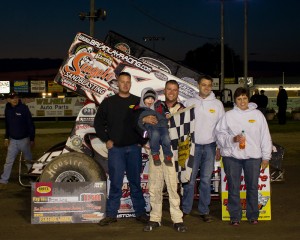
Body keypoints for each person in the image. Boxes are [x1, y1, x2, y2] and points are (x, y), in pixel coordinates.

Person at [94, 72, 149, 226]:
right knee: (116, 182)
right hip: (116, 149)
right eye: (122, 82)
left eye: (128, 82)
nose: (125, 84)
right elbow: (98, 123)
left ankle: (140, 213)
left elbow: (147, 124)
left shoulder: (138, 102)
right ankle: (111, 214)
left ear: (131, 84)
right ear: (117, 83)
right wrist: (106, 139)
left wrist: (142, 140)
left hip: (134, 149)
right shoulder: (108, 102)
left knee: (135, 182)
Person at [215, 87, 272, 226]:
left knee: (252, 187)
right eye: (239, 99)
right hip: (231, 157)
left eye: (244, 98)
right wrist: (232, 139)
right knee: (233, 187)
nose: (242, 101)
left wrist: (266, 157)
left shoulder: (258, 115)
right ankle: (235, 216)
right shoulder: (228, 115)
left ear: (248, 99)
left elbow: (265, 136)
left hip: (253, 157)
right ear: (235, 100)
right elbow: (219, 135)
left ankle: (253, 215)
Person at [143, 80, 187, 232]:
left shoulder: (183, 110)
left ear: (178, 91)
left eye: (175, 90)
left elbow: (187, 135)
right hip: (156, 151)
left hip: (173, 153)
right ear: (164, 90)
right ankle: (155, 218)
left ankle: (177, 219)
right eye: (169, 89)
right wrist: (144, 133)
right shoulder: (155, 106)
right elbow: (142, 127)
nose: (172, 92)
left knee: (173, 186)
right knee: (155, 185)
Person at [181, 75, 225, 222]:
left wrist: (219, 147)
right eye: (203, 84)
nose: (206, 87)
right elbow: (183, 124)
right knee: (190, 180)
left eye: (209, 85)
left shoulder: (218, 104)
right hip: (192, 147)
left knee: (206, 180)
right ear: (198, 85)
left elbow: (221, 128)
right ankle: (185, 209)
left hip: (211, 147)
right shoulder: (189, 102)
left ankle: (204, 211)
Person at [0, 92, 35, 187]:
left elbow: (30, 124)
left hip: (24, 140)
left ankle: (33, 180)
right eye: (12, 98)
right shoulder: (7, 109)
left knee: (28, 161)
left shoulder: (23, 108)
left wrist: (32, 139)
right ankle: (4, 180)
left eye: (16, 98)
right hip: (13, 141)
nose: (15, 100)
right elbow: (7, 125)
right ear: (8, 100)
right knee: (8, 161)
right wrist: (6, 138)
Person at [136, 87, 173, 167]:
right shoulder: (139, 109)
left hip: (162, 126)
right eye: (148, 98)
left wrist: (166, 119)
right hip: (151, 128)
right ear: (143, 99)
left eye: (152, 98)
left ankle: (168, 156)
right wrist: (144, 132)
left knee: (166, 137)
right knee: (155, 134)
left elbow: (162, 116)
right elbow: (137, 123)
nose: (150, 100)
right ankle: (155, 154)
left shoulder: (157, 108)